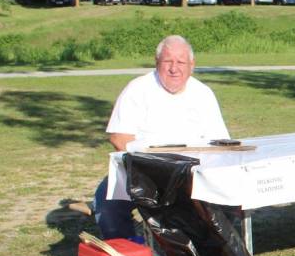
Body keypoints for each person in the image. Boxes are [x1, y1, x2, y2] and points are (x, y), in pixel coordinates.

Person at [94, 35, 229, 239]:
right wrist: (152, 166)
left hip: (192, 172)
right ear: (157, 63)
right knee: (107, 201)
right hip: (145, 171)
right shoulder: (137, 89)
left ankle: (210, 252)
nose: (174, 68)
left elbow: (219, 142)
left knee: (227, 200)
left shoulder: (204, 94)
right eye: (168, 61)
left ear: (192, 65)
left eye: (181, 62)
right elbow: (119, 138)